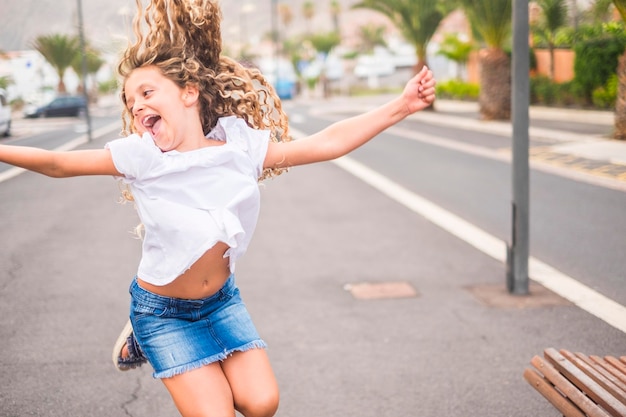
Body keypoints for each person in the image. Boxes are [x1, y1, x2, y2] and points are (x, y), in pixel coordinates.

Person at [0, 1, 436, 416]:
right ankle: (143, 336)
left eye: (148, 92)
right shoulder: (143, 156)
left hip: (222, 302)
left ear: (189, 92)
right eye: (132, 104)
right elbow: (57, 163)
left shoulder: (239, 145)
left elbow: (326, 144)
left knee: (262, 403)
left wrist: (402, 106)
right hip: (162, 312)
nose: (138, 107)